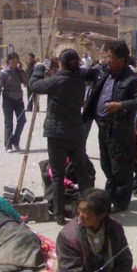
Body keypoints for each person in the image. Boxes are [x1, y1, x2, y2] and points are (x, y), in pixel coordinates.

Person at [29, 49, 92, 225]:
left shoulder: (56, 81)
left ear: (62, 63)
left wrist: (39, 68)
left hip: (57, 134)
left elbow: (34, 85)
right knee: (82, 173)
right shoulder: (80, 78)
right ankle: (90, 207)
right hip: (75, 132)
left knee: (57, 175)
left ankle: (58, 214)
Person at [83, 41, 137, 213]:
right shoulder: (104, 73)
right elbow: (86, 75)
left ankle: (121, 202)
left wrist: (120, 105)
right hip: (103, 127)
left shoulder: (132, 79)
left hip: (120, 129)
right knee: (106, 164)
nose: (107, 60)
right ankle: (110, 196)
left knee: (121, 168)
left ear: (122, 59)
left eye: (110, 57)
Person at [56, 188, 133, 272]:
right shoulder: (67, 237)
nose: (80, 216)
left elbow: (125, 261)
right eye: (79, 210)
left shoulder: (115, 229)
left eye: (85, 212)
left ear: (102, 215)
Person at [0, 52, 27, 153]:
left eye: (16, 60)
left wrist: (21, 70)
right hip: (8, 100)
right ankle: (8, 145)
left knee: (22, 120)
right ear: (9, 61)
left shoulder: (19, 71)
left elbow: (26, 81)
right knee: (9, 123)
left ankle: (15, 141)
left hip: (19, 100)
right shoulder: (4, 73)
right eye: (13, 60)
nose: (15, 62)